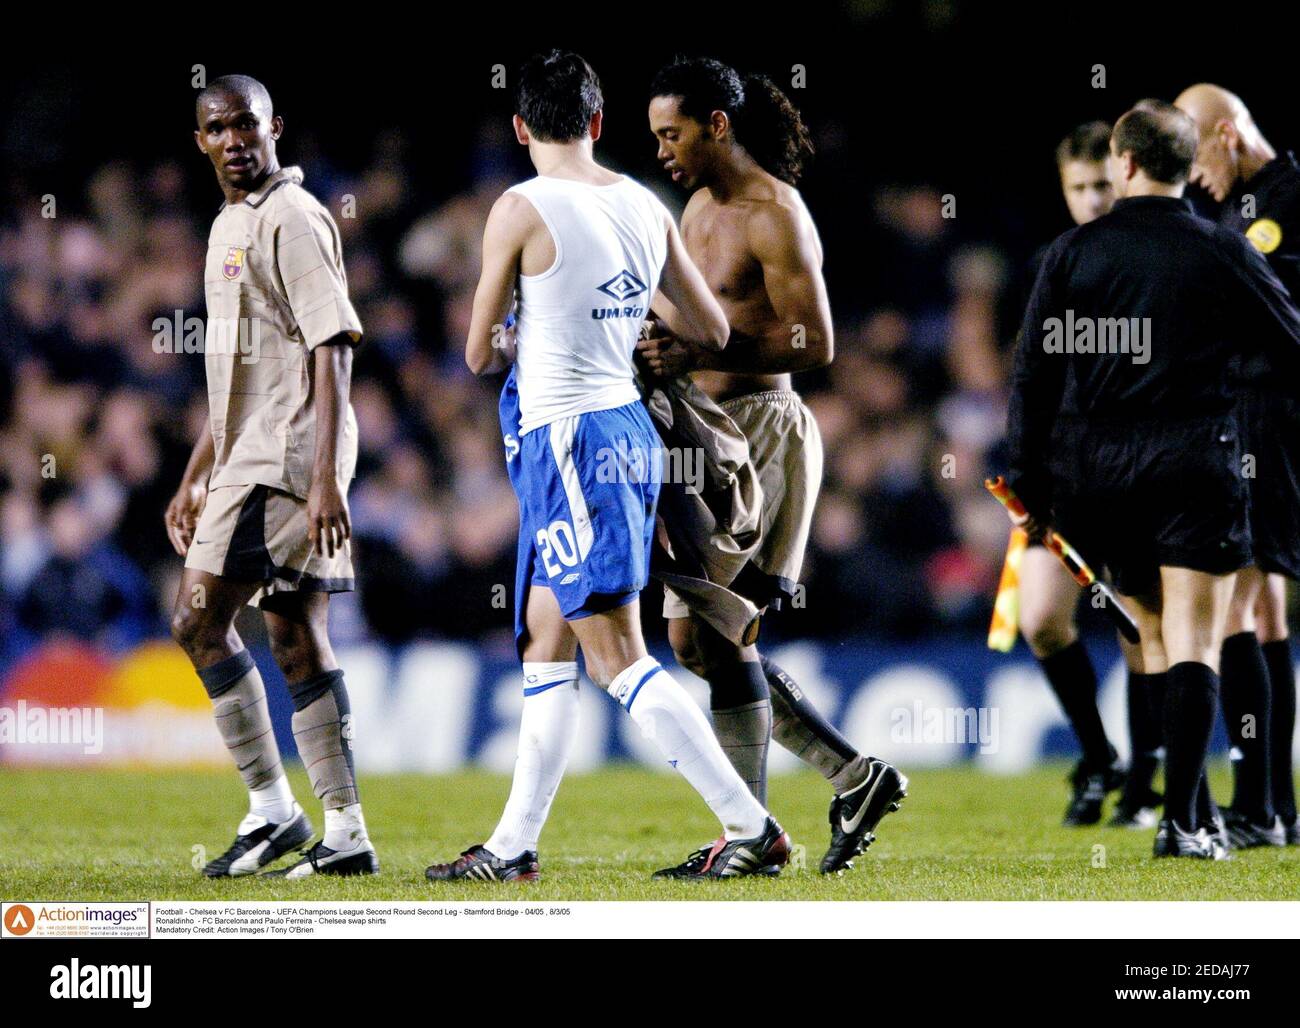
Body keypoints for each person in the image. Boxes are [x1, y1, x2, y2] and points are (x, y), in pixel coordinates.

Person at [424, 51, 790, 883]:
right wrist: (620, 316)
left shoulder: (518, 207)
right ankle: (513, 846)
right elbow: (711, 329)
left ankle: (751, 828)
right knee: (547, 647)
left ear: (521, 127)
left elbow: (479, 351)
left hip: (568, 440)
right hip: (625, 429)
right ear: (597, 121)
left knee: (617, 656)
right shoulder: (642, 204)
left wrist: (527, 333)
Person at [1007, 100, 1300, 858]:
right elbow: (1290, 340)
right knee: (1199, 639)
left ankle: (1179, 812)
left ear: (1125, 163)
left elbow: (1032, 377)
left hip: (1100, 475)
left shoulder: (1073, 253)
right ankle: (1185, 822)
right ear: (1181, 163)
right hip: (1196, 457)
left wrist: (1031, 484)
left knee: (1155, 639)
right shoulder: (1221, 249)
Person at [639, 57, 906, 876]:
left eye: (672, 133)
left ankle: (751, 835)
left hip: (759, 431)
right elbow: (690, 317)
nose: (661, 151)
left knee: (710, 632)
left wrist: (698, 347)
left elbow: (814, 342)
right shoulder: (695, 207)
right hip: (703, 428)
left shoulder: (775, 214)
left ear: (717, 125)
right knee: (702, 639)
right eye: (654, 137)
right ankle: (847, 781)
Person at [165, 75, 376, 877]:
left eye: (246, 125)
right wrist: (194, 474)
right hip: (251, 451)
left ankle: (272, 811)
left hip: (287, 458)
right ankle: (345, 832)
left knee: (195, 617)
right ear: (201, 142)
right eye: (217, 130)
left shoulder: (292, 215)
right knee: (293, 634)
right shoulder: (228, 226)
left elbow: (333, 344)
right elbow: (239, 371)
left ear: (274, 127)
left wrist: (323, 477)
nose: (233, 141)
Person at [1016, 121, 1160, 828]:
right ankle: (1100, 755)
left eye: (1104, 183)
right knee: (1041, 620)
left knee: (1140, 629)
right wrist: (1026, 472)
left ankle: (1144, 778)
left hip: (1140, 468)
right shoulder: (1057, 261)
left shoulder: (1156, 256)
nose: (1094, 198)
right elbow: (1031, 376)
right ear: (1065, 191)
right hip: (1064, 474)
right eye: (1080, 188)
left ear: (1126, 176)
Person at [1174, 83, 1297, 847]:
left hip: (1270, 421)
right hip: (1251, 416)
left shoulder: (1288, 197)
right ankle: (1273, 805)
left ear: (1227, 132)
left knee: (1240, 601)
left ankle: (1257, 803)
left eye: (1197, 156)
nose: (1194, 176)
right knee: (1265, 608)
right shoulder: (1237, 208)